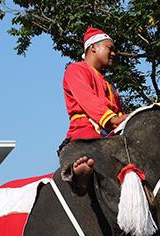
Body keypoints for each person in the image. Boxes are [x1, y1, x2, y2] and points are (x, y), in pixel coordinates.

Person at [61, 27, 127, 191]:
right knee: (88, 144)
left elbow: (119, 114)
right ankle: (79, 176)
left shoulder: (109, 85)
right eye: (110, 48)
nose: (113, 54)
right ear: (93, 48)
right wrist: (113, 119)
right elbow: (87, 100)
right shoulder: (75, 70)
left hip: (111, 134)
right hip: (85, 128)